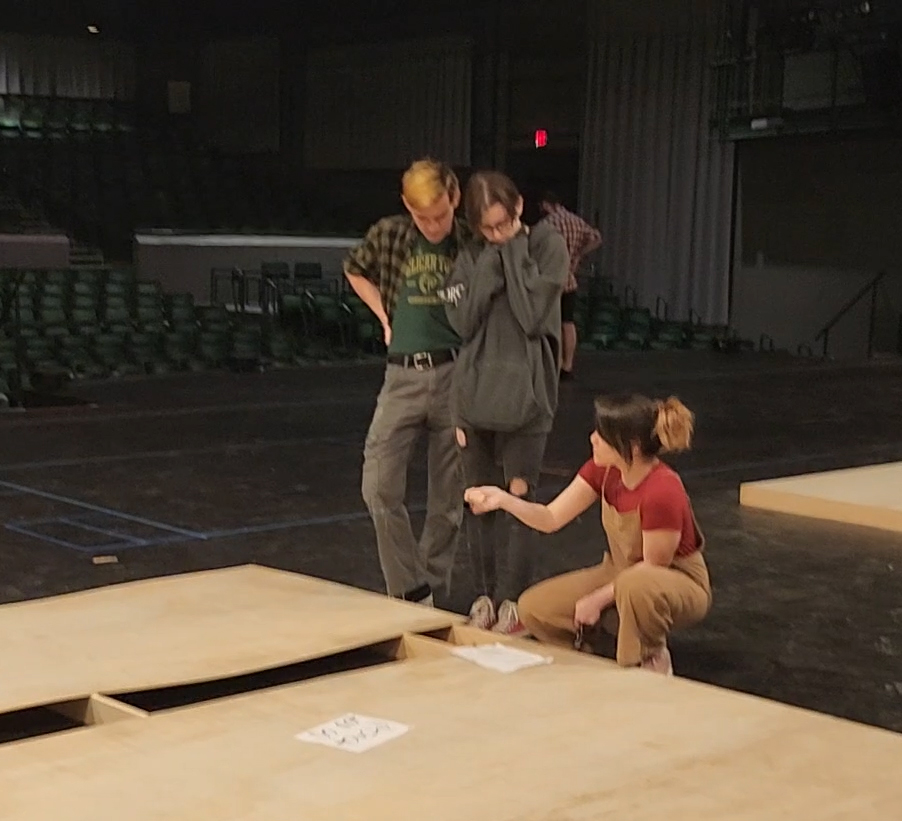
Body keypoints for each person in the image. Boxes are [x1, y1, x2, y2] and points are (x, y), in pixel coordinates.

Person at [464, 393, 712, 674]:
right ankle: (599, 652)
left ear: (630, 445)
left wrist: (597, 599)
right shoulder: (603, 470)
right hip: (622, 573)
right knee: (535, 608)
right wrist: (503, 500)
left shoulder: (662, 490)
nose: (593, 438)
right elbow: (550, 518)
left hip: (673, 581)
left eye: (602, 435)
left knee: (636, 584)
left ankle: (650, 656)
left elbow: (654, 567)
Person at [439, 171, 569, 634]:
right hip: (473, 400)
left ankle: (513, 601)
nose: (496, 235)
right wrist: (491, 266)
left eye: (503, 224)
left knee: (518, 499)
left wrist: (512, 255)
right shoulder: (472, 255)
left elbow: (534, 317)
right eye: (487, 229)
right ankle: (484, 597)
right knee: (478, 501)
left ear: (518, 210)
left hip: (528, 400)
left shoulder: (546, 246)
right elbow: (463, 322)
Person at [344, 158, 470, 607]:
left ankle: (429, 589)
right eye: (423, 218)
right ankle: (410, 587)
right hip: (402, 374)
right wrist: (384, 317)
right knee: (377, 485)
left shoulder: (471, 239)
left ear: (454, 198)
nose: (433, 225)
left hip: (458, 373)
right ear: (407, 208)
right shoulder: (391, 234)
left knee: (449, 497)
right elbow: (355, 269)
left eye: (440, 214)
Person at [538, 192, 602, 380]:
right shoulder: (576, 220)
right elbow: (597, 237)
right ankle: (568, 364)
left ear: (547, 204)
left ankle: (555, 363)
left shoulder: (547, 224)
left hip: (552, 279)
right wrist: (579, 255)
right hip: (570, 279)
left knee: (552, 323)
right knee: (568, 323)